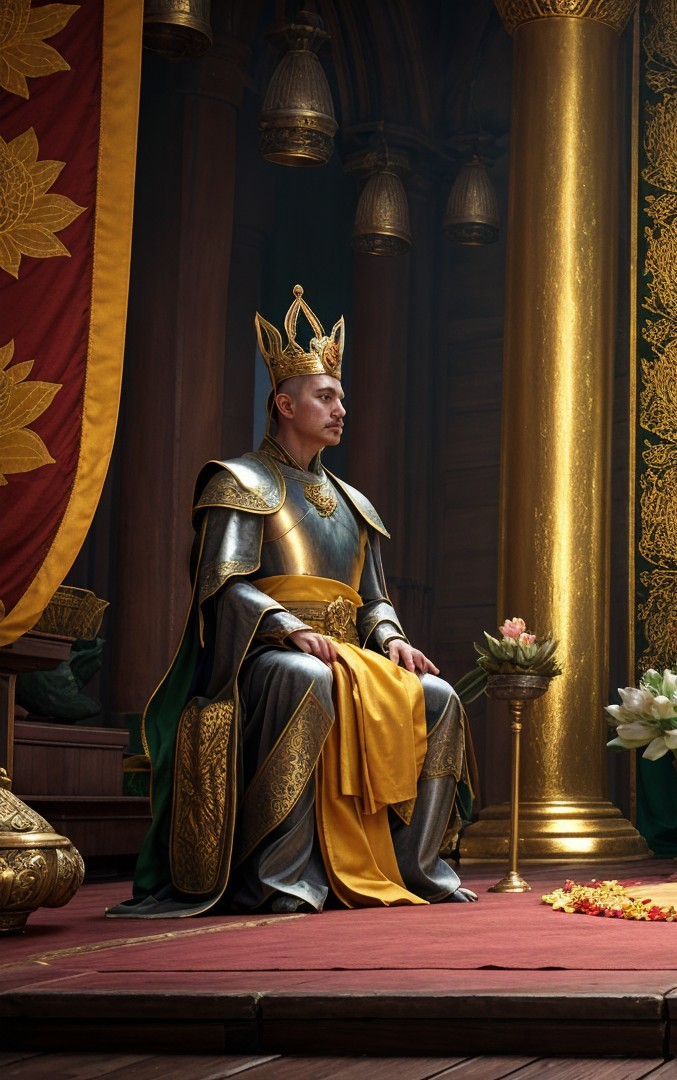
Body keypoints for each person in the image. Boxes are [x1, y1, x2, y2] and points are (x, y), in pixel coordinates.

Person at [111, 286, 472, 917]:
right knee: (307, 678)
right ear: (284, 403)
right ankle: (287, 874)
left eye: (341, 396)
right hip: (266, 658)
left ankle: (416, 867)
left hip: (351, 657)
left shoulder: (356, 504)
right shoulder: (240, 481)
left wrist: (389, 638)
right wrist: (282, 626)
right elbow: (221, 585)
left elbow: (372, 599)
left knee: (439, 698)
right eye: (325, 396)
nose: (340, 408)